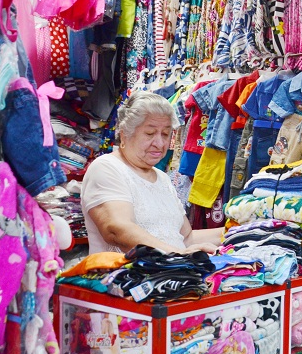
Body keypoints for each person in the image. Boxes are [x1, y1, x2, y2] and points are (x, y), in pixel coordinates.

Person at [81, 91, 223, 254]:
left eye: (165, 134)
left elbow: (185, 238)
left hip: (168, 274)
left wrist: (238, 231)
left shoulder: (162, 178)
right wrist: (177, 255)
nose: (160, 143)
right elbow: (117, 229)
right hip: (127, 277)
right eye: (150, 133)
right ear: (124, 133)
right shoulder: (106, 168)